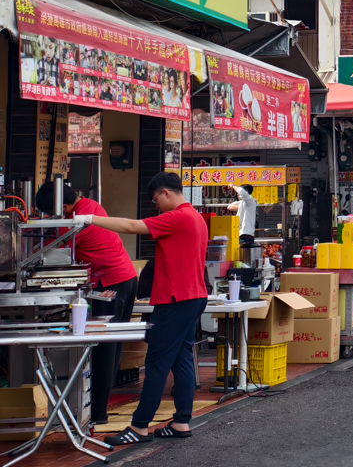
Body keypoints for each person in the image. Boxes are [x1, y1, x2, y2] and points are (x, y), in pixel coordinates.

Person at [76, 172, 208, 444]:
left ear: (166, 193)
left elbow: (131, 226)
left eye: (155, 199)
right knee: (181, 359)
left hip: (175, 299)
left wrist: (90, 219)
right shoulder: (196, 217)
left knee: (157, 362)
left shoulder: (177, 217)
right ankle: (181, 422)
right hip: (192, 297)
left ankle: (139, 427)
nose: (155, 205)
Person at [35, 183, 136, 427]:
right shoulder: (89, 207)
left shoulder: (78, 221)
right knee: (111, 345)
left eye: (49, 214)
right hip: (124, 277)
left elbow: (47, 253)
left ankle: (98, 413)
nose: (49, 219)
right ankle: (99, 410)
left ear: (64, 207)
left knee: (103, 347)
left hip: (111, 283)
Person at [224, 184, 257, 261]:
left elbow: (241, 191)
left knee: (244, 259)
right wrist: (242, 207)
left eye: (238, 194)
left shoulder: (250, 201)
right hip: (241, 235)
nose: (238, 195)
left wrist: (232, 186)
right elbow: (229, 206)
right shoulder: (243, 203)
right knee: (240, 259)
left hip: (246, 235)